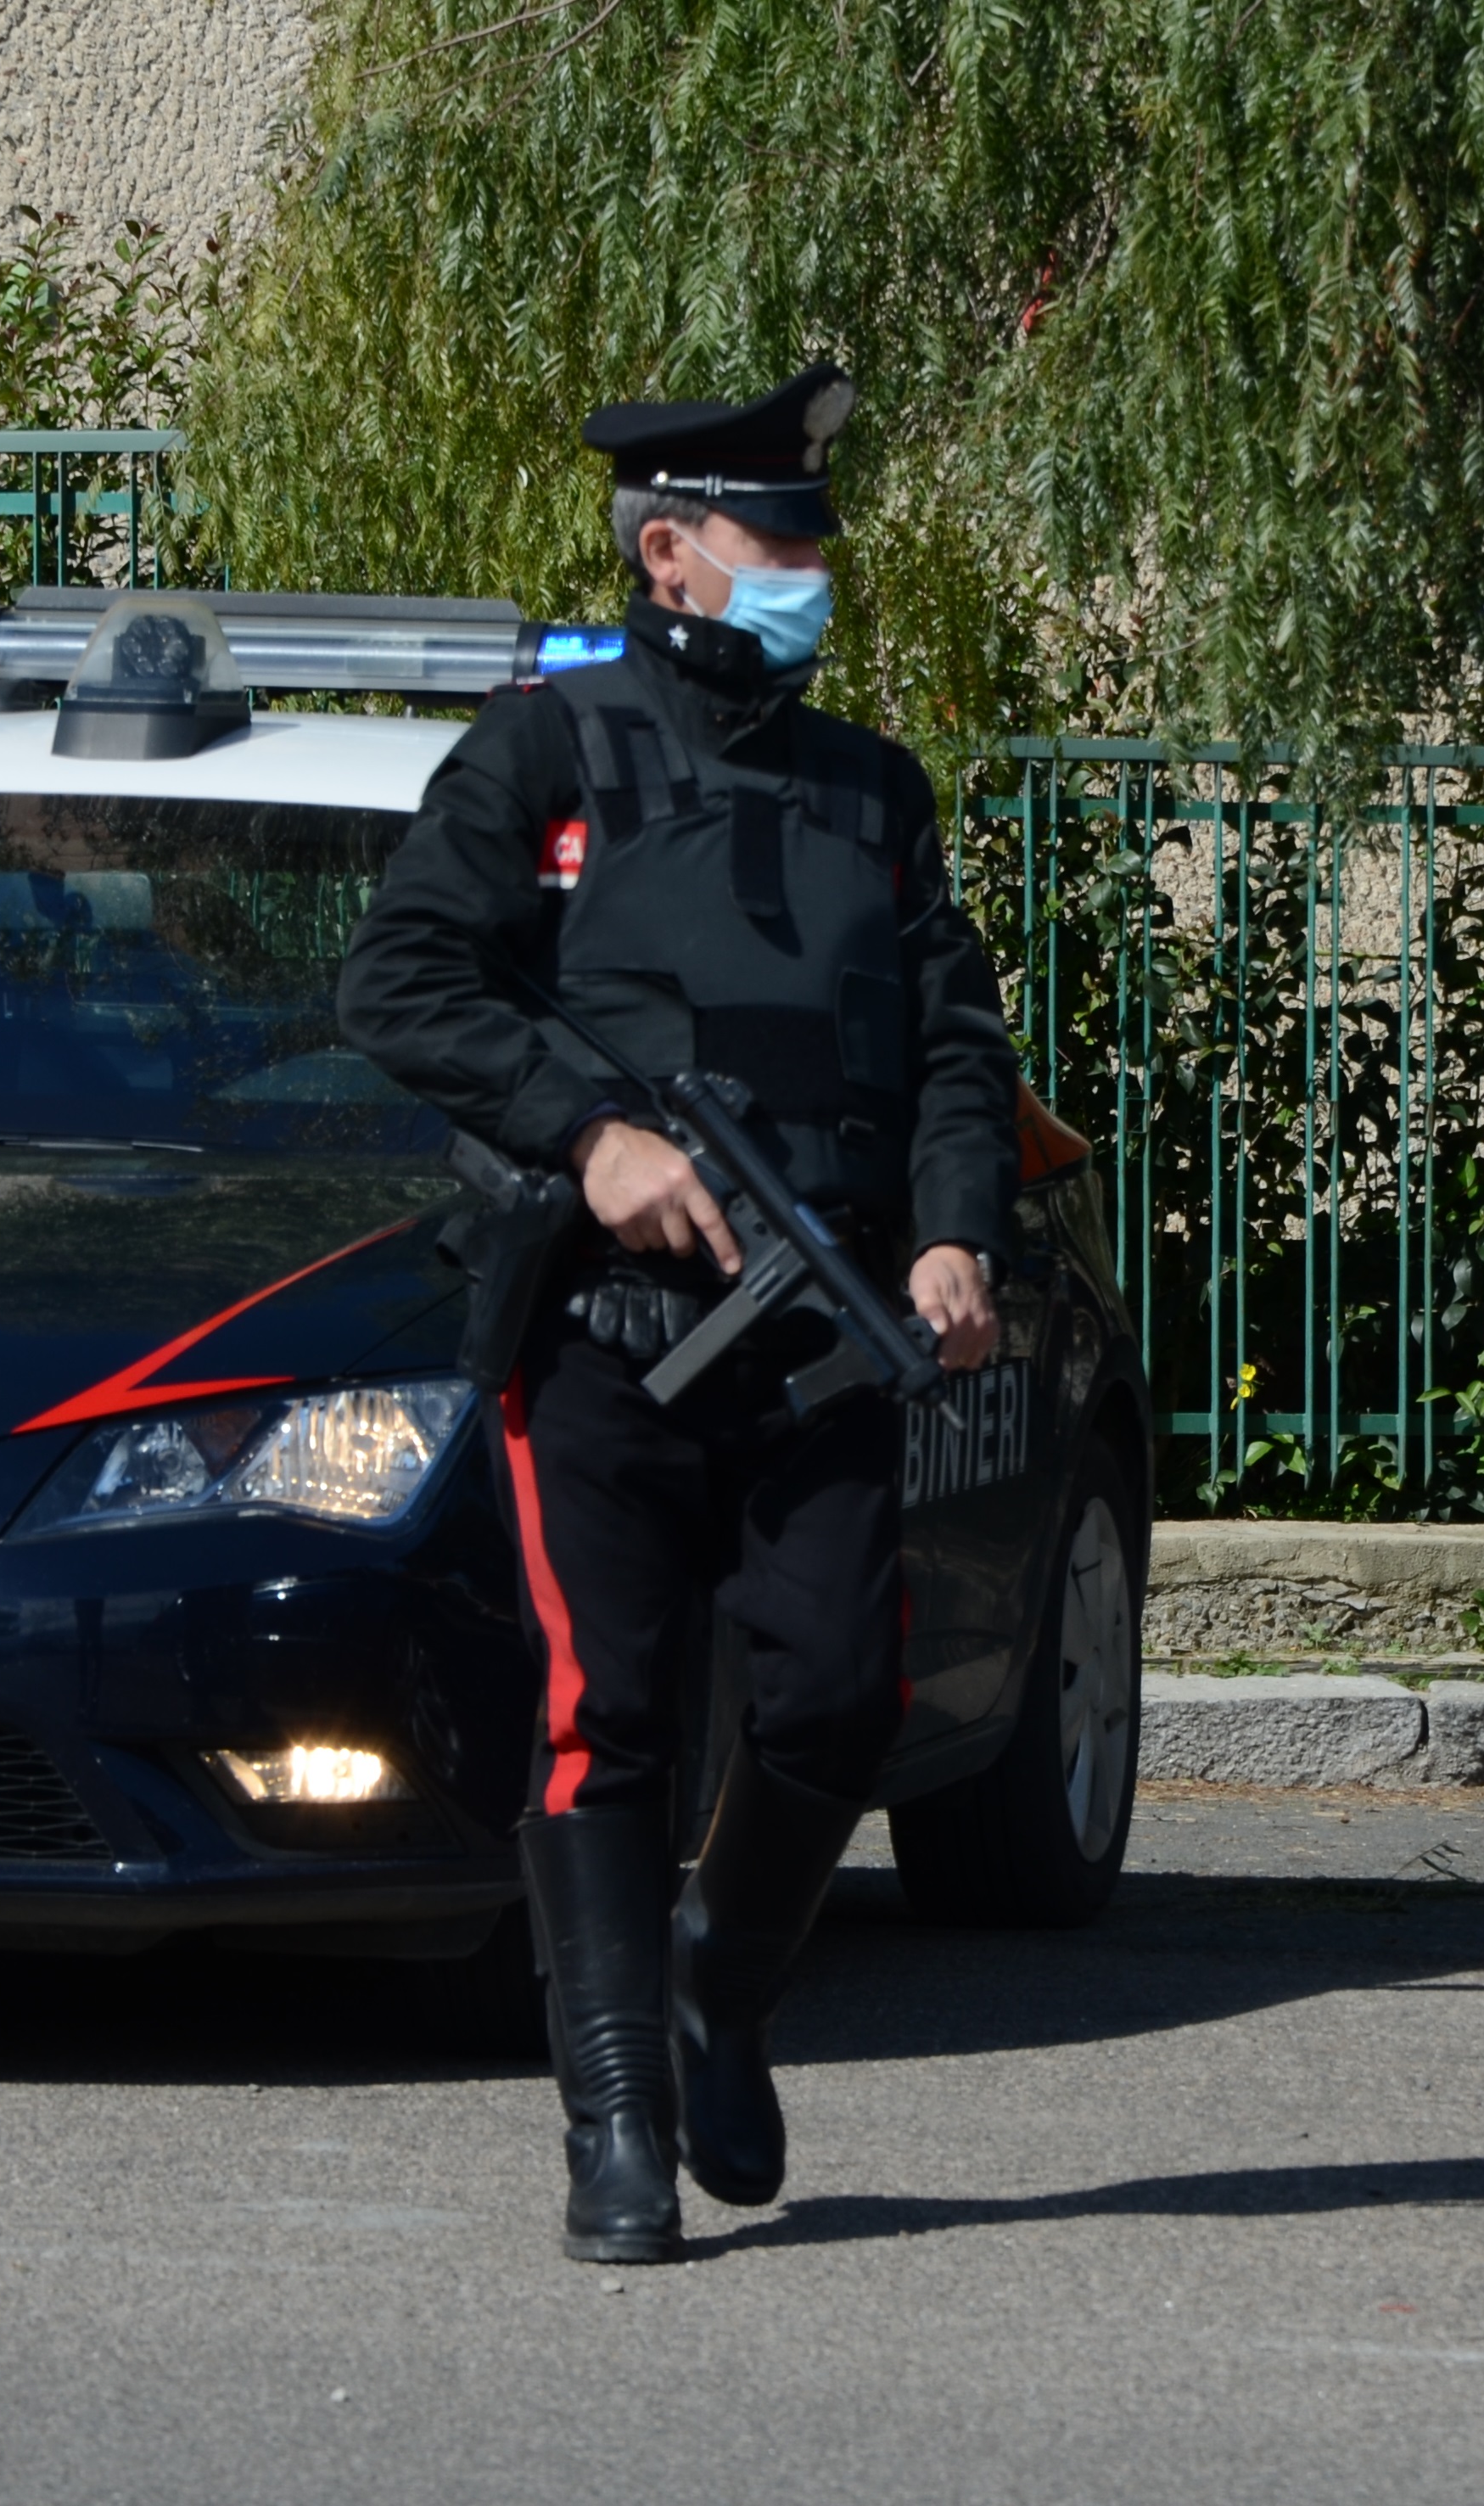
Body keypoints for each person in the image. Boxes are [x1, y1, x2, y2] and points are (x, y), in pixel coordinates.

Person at [337, 364, 1020, 2265]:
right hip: (607, 1337)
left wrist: (957, 1237)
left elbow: (959, 1052)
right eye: (776, 537)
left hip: (826, 1341)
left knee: (836, 1700)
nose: (811, 566)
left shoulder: (874, 794)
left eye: (816, 535)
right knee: (605, 1719)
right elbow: (398, 982)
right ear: (669, 553)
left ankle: (726, 1978)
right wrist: (595, 1136)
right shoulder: (544, 758)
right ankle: (615, 2113)